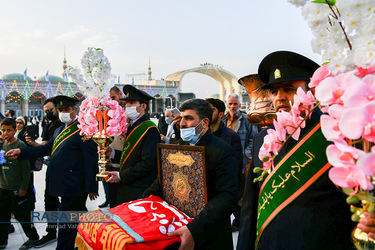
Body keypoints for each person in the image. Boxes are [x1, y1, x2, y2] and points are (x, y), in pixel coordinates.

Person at [237, 51, 354, 250]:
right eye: (274, 91)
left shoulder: (336, 131)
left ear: (312, 92)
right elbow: (250, 209)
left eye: (289, 89)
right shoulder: (262, 139)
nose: (279, 98)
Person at [5, 95, 99, 250]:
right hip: (61, 183)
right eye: (61, 110)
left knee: (66, 225)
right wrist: (21, 152)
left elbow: (90, 160)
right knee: (70, 222)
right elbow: (45, 149)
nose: (63, 112)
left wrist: (92, 187)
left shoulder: (83, 130)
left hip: (75, 185)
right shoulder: (60, 130)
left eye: (67, 109)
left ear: (75, 110)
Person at [144, 98, 238, 249]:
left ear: (205, 123)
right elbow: (163, 180)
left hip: (210, 234)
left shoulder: (222, 151)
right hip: (179, 227)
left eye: (188, 118)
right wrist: (144, 201)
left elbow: (227, 196)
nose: (182, 123)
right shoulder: (179, 146)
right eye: (181, 118)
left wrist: (193, 228)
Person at [105, 85, 161, 205]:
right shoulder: (131, 126)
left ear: (143, 106)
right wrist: (113, 152)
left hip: (138, 189)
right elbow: (129, 155)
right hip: (126, 187)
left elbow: (148, 164)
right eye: (126, 103)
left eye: (132, 103)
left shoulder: (149, 129)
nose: (127, 106)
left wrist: (121, 175)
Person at [25, 98, 64, 248]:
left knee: (72, 204)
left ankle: (79, 233)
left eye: (50, 110)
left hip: (69, 171)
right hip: (53, 167)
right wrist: (33, 145)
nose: (48, 113)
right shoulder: (49, 125)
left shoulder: (69, 125)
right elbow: (45, 146)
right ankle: (51, 232)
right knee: (50, 201)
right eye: (46, 111)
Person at [0, 118, 40, 250]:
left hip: (18, 188)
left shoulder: (20, 145)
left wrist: (23, 187)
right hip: (3, 187)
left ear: (15, 130)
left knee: (22, 216)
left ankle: (33, 237)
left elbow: (25, 169)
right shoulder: (2, 145)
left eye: (9, 130)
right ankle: (2, 241)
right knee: (3, 215)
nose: (5, 133)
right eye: (3, 130)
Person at [222, 93, 257, 230]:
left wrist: (246, 154)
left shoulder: (246, 120)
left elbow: (253, 139)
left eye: (235, 104)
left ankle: (238, 221)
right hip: (225, 161)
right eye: (230, 103)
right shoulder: (223, 120)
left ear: (240, 105)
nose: (232, 106)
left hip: (240, 162)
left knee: (240, 192)